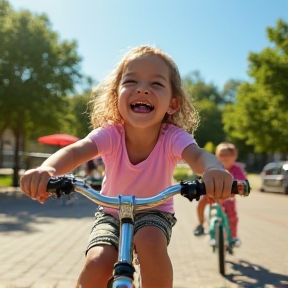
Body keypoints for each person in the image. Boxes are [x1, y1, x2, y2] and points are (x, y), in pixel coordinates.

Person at [20, 46, 234, 288]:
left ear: (172, 104)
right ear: (116, 96)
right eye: (131, 81)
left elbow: (198, 156)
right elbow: (77, 150)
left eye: (156, 84)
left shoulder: (172, 137)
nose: (142, 88)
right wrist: (48, 170)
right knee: (98, 262)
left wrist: (213, 170)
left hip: (155, 211)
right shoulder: (111, 134)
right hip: (111, 213)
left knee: (151, 244)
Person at [193, 142, 246, 246]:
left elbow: (242, 181)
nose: (224, 158)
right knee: (201, 204)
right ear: (217, 156)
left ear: (234, 157)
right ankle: (200, 224)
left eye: (228, 155)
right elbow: (204, 176)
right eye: (221, 155)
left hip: (228, 197)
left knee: (232, 215)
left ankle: (234, 236)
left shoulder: (236, 169)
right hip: (211, 194)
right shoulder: (213, 167)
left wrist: (241, 187)